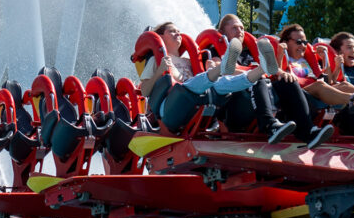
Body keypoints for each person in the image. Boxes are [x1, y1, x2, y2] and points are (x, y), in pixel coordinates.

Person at [139, 21, 299, 145]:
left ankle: (259, 71)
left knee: (222, 84)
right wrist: (160, 71)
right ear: (160, 37)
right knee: (192, 87)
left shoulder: (188, 60)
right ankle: (222, 68)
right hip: (170, 106)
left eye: (179, 32)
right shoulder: (156, 60)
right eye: (172, 31)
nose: (177, 34)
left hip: (196, 99)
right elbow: (145, 91)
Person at [215, 14, 332, 149]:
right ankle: (270, 126)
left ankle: (308, 131)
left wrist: (282, 73)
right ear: (222, 32)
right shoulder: (214, 51)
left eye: (242, 28)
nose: (240, 31)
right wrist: (252, 74)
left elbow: (269, 70)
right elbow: (217, 70)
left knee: (287, 81)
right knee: (256, 78)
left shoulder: (250, 54)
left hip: (259, 96)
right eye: (234, 28)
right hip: (232, 106)